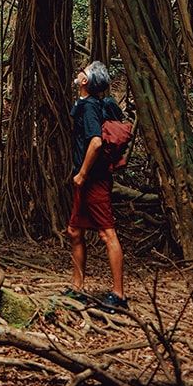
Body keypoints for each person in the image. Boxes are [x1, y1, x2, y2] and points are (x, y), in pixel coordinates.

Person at [66, 60, 128, 312]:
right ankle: (77, 289)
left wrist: (82, 174)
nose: (79, 72)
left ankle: (119, 295)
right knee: (74, 232)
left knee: (107, 234)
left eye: (83, 71)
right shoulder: (85, 105)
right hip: (87, 182)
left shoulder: (90, 107)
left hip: (94, 180)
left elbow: (95, 143)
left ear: (85, 82)